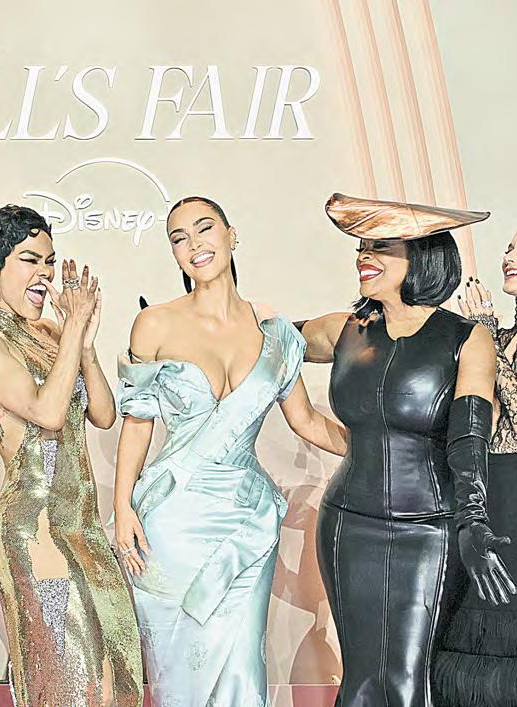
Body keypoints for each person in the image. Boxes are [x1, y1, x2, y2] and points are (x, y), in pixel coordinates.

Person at [114, 196, 348, 706]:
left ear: (231, 235)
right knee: (180, 675)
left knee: (243, 667)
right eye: (179, 238)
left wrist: (375, 449)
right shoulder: (154, 324)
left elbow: (306, 421)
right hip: (172, 523)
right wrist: (122, 507)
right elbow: (137, 424)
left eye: (204, 228)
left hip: (245, 521)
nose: (194, 244)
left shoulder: (278, 337)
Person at [299, 193, 517, 707]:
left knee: (405, 680)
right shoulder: (344, 329)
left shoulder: (466, 338)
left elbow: (469, 439)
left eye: (379, 246)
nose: (363, 256)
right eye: (361, 247)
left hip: (429, 530)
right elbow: (263, 343)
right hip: (348, 525)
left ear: (421, 255)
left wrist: (472, 520)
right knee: (360, 679)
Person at [0, 205, 143, 706]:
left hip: (83, 525)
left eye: (49, 261)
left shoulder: (50, 333)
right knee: (69, 683)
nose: (44, 273)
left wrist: (82, 342)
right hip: (34, 529)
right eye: (30, 260)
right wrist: (74, 328)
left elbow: (103, 414)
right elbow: (48, 412)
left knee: (115, 678)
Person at [434, 215, 517, 706]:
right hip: (488, 492)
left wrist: (487, 334)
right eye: (509, 247)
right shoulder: (496, 337)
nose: (509, 257)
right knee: (474, 629)